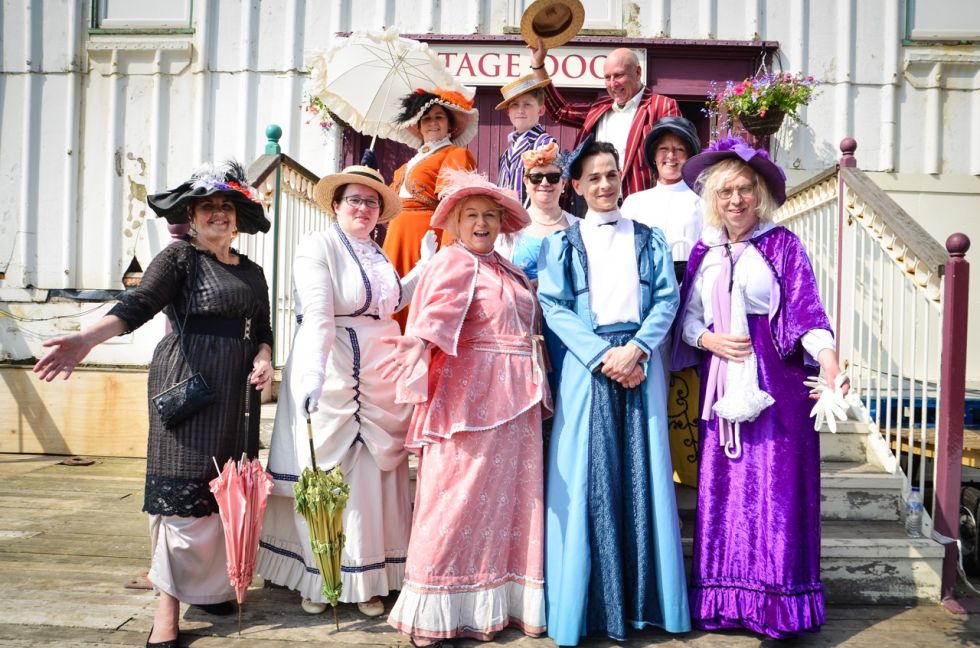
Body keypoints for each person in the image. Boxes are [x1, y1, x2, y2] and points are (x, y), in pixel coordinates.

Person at [34, 161, 274, 648]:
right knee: (180, 497)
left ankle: (208, 589)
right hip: (188, 382)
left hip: (236, 394)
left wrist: (266, 358)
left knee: (220, 495)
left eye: (226, 207)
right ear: (192, 214)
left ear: (238, 216)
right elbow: (138, 305)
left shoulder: (252, 270)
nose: (219, 215)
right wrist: (86, 339)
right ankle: (167, 610)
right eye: (208, 207)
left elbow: (263, 329)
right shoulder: (179, 258)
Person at [672, 137, 846, 638]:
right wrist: (708, 339)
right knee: (725, 492)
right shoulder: (706, 252)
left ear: (760, 194)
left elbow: (809, 315)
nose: (735, 201)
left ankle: (777, 606)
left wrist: (830, 362)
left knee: (776, 492)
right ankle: (726, 602)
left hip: (778, 386)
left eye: (745, 190)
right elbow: (687, 320)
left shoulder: (783, 245)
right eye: (725, 192)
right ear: (713, 199)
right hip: (720, 384)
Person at [257, 166, 436, 618]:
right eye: (354, 199)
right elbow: (318, 316)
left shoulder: (375, 252)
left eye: (371, 202)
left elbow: (388, 304)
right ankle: (324, 579)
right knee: (330, 476)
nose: (363, 208)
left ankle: (369, 577)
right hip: (333, 366)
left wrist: (424, 267)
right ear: (335, 206)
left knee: (373, 476)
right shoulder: (316, 247)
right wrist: (312, 377)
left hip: (379, 369)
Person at [380, 170, 549, 646]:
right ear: (454, 222)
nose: (481, 223)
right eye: (471, 215)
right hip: (470, 400)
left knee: (512, 504)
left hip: (519, 403)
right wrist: (417, 343)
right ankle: (436, 605)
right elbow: (434, 313)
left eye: (490, 216)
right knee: (452, 498)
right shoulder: (454, 261)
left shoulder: (505, 267)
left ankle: (497, 603)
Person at [536, 141, 690, 645]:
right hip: (588, 368)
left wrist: (639, 350)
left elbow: (667, 298)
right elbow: (554, 306)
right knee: (587, 478)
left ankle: (647, 603)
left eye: (611, 175)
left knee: (643, 475)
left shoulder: (650, 238)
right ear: (575, 187)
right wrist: (604, 356)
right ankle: (588, 609)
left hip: (641, 367)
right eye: (593, 178)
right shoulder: (561, 244)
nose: (605, 185)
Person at [621, 115, 704, 487]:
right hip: (647, 296)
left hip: (691, 293)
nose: (671, 156)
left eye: (680, 149)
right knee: (652, 377)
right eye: (665, 149)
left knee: (685, 381)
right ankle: (653, 465)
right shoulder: (636, 202)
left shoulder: (702, 201)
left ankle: (688, 467)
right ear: (653, 157)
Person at [528, 41, 680, 201]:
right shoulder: (600, 107)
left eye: (619, 75)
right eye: (607, 77)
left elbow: (675, 157)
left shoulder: (662, 106)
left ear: (637, 72)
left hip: (641, 207)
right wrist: (538, 65)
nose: (613, 84)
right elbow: (560, 111)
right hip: (595, 206)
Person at [381, 88, 478, 331]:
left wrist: (447, 254)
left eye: (438, 117)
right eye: (426, 118)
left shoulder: (455, 154)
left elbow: (455, 205)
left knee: (419, 307)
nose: (432, 123)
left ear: (450, 125)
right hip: (396, 239)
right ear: (418, 125)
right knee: (391, 302)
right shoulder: (409, 163)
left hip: (425, 239)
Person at [495, 74, 556, 204]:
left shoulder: (546, 144)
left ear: (541, 110)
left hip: (533, 220)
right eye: (515, 105)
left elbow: (550, 189)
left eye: (527, 104)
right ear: (508, 112)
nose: (520, 110)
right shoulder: (506, 153)